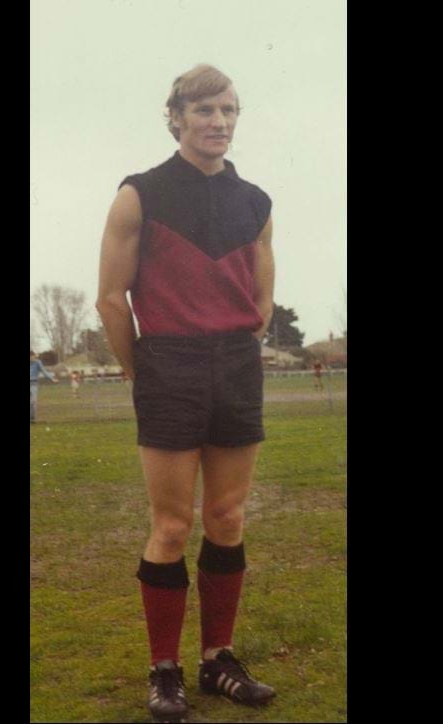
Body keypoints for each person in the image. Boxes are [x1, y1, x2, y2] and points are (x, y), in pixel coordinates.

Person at [96, 64, 276, 722]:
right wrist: (142, 371)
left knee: (226, 517)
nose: (218, 122)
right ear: (176, 118)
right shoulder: (139, 194)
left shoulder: (255, 202)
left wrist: (236, 349)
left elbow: (263, 298)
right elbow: (110, 299)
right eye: (204, 110)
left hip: (236, 365)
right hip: (167, 363)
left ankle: (217, 659)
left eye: (228, 110)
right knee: (171, 526)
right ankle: (165, 669)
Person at [30, 350, 56, 423]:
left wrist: (52, 378)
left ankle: (32, 418)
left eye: (32, 356)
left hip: (33, 384)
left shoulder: (37, 362)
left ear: (34, 356)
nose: (32, 358)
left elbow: (44, 371)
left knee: (33, 401)